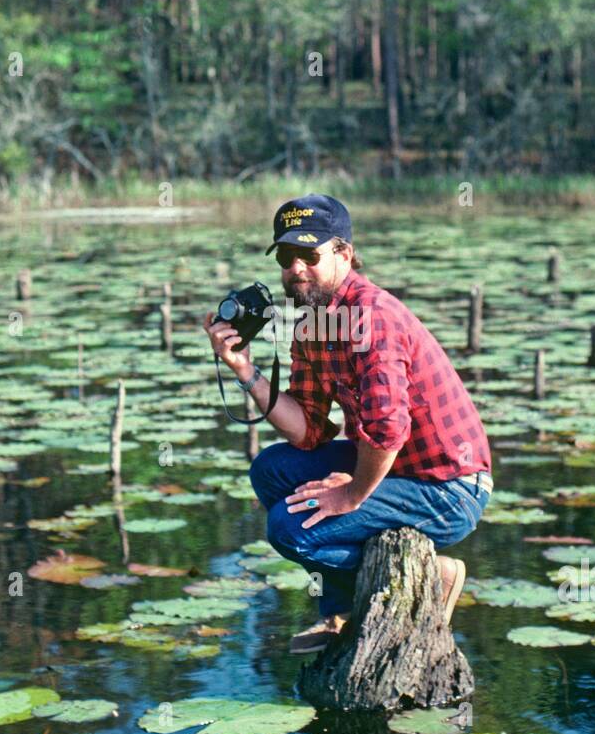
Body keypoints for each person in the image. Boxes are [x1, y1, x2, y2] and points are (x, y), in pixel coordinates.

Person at [203, 193, 493, 654]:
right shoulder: (312, 325)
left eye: (309, 255)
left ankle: (430, 575)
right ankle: (338, 612)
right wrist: (245, 371)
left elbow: (387, 431)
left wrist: (352, 493)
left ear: (344, 253)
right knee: (271, 469)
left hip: (450, 487)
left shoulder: (372, 318)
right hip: (394, 469)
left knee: (287, 528)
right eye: (286, 256)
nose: (295, 268)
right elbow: (310, 431)